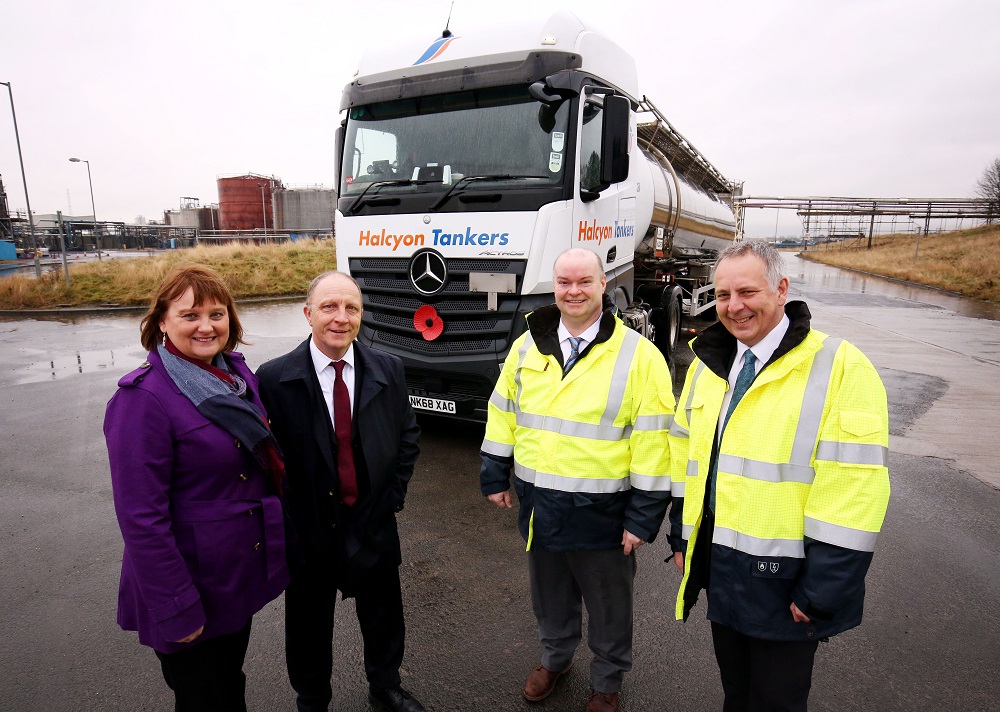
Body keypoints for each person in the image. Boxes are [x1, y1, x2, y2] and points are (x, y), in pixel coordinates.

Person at [667, 239, 891, 711]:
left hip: (787, 580)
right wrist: (684, 538)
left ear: (781, 289)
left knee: (776, 701)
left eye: (748, 292)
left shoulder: (840, 367)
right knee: (736, 692)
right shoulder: (710, 365)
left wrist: (824, 588)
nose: (734, 306)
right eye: (723, 294)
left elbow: (853, 489)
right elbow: (687, 457)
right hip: (723, 566)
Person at [480, 248, 675, 712]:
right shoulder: (527, 345)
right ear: (554, 285)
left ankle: (607, 682)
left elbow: (654, 441)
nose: (573, 291)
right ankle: (556, 658)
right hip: (539, 505)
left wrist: (643, 516)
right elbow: (502, 409)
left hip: (603, 513)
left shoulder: (639, 356)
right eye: (564, 282)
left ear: (603, 284)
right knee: (549, 597)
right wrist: (494, 472)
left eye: (583, 281)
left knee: (609, 606)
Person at [104, 264, 288, 711]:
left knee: (227, 680)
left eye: (217, 314)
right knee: (204, 695)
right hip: (189, 587)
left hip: (232, 578)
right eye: (190, 315)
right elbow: (141, 519)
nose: (207, 326)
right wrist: (176, 606)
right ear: (162, 322)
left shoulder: (235, 378)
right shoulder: (143, 399)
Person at [256, 271, 425, 712]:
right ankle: (312, 698)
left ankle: (385, 686)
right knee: (309, 623)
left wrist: (393, 496)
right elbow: (266, 459)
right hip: (310, 529)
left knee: (384, 614)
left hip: (372, 520)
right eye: (329, 307)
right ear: (308, 313)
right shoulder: (273, 380)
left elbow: (407, 435)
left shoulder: (387, 368)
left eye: (351, 308)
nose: (341, 317)